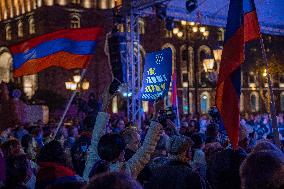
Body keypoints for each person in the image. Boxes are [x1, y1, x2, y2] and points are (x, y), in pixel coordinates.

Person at [83, 87, 163, 181]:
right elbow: (147, 148)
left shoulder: (92, 167)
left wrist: (105, 104)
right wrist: (156, 112)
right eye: (122, 149)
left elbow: (96, 137)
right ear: (120, 153)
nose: (124, 151)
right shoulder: (124, 172)